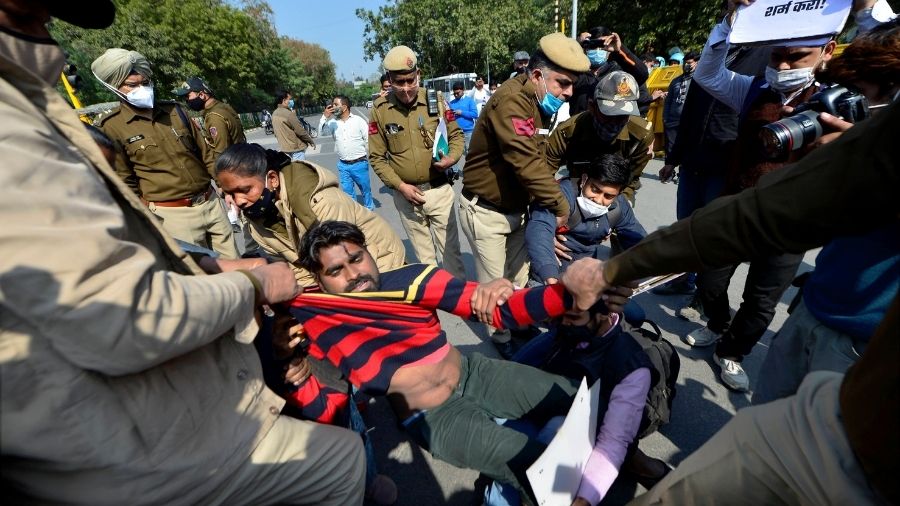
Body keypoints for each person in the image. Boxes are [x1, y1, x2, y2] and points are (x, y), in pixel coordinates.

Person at [0, 1, 366, 504]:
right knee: (339, 461)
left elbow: (212, 162)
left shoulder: (173, 113)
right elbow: (127, 303)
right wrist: (252, 284)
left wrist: (210, 259)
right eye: (129, 77)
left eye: (140, 73)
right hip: (137, 438)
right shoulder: (37, 124)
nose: (51, 36)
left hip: (199, 214)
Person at [595, 99, 900, 506]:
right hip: (820, 307)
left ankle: (731, 350)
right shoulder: (767, 100)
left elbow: (768, 213)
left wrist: (614, 270)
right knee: (753, 433)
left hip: (867, 398)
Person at [285, 220, 628, 505]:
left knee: (579, 396)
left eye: (356, 258)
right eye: (336, 270)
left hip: (475, 374)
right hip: (435, 418)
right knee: (537, 468)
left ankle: (626, 464)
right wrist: (296, 376)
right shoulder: (317, 328)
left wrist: (571, 292)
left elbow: (499, 310)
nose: (353, 273)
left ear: (369, 253)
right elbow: (329, 410)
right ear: (319, 282)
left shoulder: (411, 281)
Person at [678, 0, 841, 392]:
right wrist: (729, 20)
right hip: (738, 207)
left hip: (791, 225)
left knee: (761, 302)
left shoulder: (840, 103)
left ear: (828, 51)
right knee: (711, 281)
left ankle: (731, 352)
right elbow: (708, 73)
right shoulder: (752, 90)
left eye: (796, 57)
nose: (783, 66)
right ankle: (716, 325)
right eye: (777, 56)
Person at [752, 9, 899, 405]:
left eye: (860, 99)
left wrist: (867, 156)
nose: (843, 111)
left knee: (819, 455)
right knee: (762, 420)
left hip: (863, 344)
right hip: (814, 308)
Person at [460, 33, 589, 357]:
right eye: (563, 83)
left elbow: (541, 160)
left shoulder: (540, 103)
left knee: (517, 278)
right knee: (494, 284)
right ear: (536, 75)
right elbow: (527, 164)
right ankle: (501, 337)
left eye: (572, 84)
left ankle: (517, 323)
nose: (569, 92)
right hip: (487, 211)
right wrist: (560, 204)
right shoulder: (512, 102)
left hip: (517, 209)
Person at [91, 48, 240, 259]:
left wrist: (228, 188)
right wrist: (148, 216)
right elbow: (125, 181)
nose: (142, 89)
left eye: (145, 83)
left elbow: (207, 154)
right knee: (199, 279)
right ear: (115, 88)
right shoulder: (111, 127)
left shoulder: (176, 111)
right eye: (133, 85)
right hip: (172, 215)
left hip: (210, 203)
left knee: (237, 267)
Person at [215, 143, 404, 288]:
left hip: (381, 266)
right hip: (333, 279)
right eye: (230, 194)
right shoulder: (256, 219)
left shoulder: (321, 201)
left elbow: (347, 261)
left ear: (272, 179)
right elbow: (297, 269)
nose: (238, 201)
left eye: (245, 189)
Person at [368, 44, 467, 279]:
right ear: (389, 80)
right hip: (406, 196)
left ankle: (458, 298)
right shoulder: (381, 110)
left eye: (410, 81)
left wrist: (451, 158)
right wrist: (400, 187)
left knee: (451, 253)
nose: (405, 88)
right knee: (424, 257)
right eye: (399, 82)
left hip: (439, 190)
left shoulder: (438, 101)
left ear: (418, 75)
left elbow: (456, 136)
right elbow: (376, 157)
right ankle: (433, 300)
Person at [526, 153, 647, 324]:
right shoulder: (560, 195)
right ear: (584, 179)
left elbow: (638, 238)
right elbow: (540, 229)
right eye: (595, 189)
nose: (598, 200)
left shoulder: (619, 207)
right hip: (552, 271)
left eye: (608, 196)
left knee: (635, 316)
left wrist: (664, 259)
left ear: (618, 194)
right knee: (558, 319)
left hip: (587, 276)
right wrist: (550, 279)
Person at [546, 71, 654, 207]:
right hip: (577, 187)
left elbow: (631, 180)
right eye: (610, 114)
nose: (616, 121)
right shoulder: (568, 132)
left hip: (615, 193)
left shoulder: (641, 135)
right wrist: (557, 204)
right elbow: (545, 172)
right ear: (592, 106)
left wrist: (621, 205)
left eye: (624, 115)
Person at [569, 27, 650, 116]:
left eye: (602, 45)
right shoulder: (577, 73)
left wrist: (619, 50)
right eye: (593, 45)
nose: (597, 50)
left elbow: (642, 75)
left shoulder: (617, 72)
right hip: (580, 127)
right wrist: (575, 46)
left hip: (610, 127)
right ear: (585, 48)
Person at [319, 94, 374, 210]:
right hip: (343, 165)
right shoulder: (333, 122)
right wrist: (325, 117)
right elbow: (322, 133)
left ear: (344, 107)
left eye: (335, 104)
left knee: (365, 190)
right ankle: (353, 215)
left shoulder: (358, 121)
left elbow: (368, 140)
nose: (333, 107)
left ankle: (370, 211)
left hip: (359, 164)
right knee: (348, 194)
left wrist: (372, 158)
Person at [174, 76, 246, 159]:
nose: (186, 100)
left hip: (234, 165)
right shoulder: (222, 107)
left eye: (188, 96)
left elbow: (221, 154)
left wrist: (198, 134)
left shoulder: (214, 117)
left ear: (201, 95)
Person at [661, 51, 699, 166]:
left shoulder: (700, 81)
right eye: (684, 63)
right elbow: (668, 101)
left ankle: (681, 172)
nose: (686, 65)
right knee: (670, 148)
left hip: (689, 122)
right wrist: (665, 118)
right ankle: (669, 170)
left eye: (689, 63)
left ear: (697, 63)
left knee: (687, 148)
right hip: (672, 121)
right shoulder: (676, 81)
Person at [272, 89, 315, 161]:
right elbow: (300, 131)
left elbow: (276, 133)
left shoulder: (274, 114)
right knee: (299, 170)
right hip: (296, 149)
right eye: (290, 99)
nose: (291, 101)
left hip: (284, 149)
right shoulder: (288, 114)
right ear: (284, 100)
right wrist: (310, 140)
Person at [449, 81, 479, 155]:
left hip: (468, 132)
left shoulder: (470, 101)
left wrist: (462, 112)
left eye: (458, 93)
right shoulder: (451, 103)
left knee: (469, 155)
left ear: (463, 90)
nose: (456, 95)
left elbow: (475, 114)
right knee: (456, 155)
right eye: (454, 93)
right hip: (456, 133)